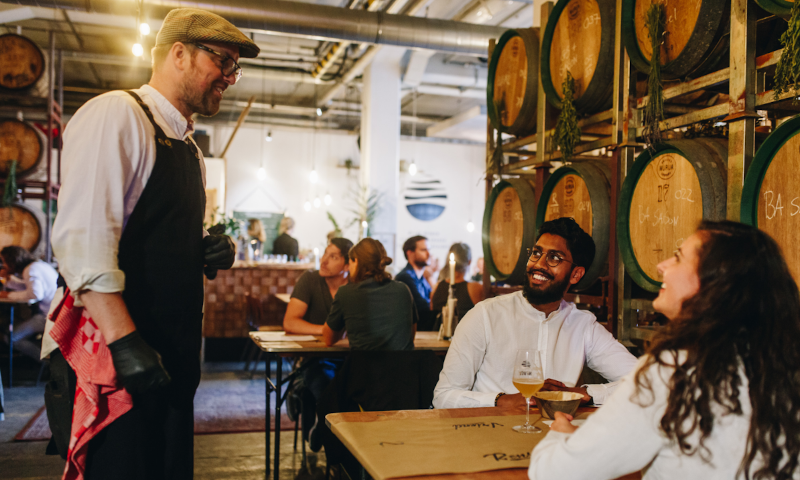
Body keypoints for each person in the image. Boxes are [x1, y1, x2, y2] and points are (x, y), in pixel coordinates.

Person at [51, 8, 250, 478]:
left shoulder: (192, 150)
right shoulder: (118, 113)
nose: (229, 76)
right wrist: (124, 342)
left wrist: (204, 245)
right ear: (178, 53)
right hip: (120, 359)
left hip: (169, 360)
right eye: (222, 61)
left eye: (234, 68)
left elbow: (148, 230)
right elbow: (84, 236)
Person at [529, 221, 800, 480]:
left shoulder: (672, 373)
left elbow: (553, 472)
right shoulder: (778, 368)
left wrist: (562, 432)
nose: (661, 266)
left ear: (714, 285)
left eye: (678, 257)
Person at [433, 217, 637, 410]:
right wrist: (502, 400)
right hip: (489, 433)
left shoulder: (582, 325)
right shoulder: (485, 316)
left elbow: (644, 381)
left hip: (554, 437)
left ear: (575, 274)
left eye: (554, 258)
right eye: (537, 253)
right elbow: (444, 396)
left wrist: (585, 393)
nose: (539, 264)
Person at [283, 237, 353, 451]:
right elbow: (290, 321)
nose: (324, 261)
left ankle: (332, 437)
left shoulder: (355, 287)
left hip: (349, 360)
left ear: (348, 265)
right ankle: (329, 434)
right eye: (325, 254)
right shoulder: (310, 280)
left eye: (333, 257)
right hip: (313, 359)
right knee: (326, 381)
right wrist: (326, 331)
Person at [322, 238, 417, 350]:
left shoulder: (345, 293)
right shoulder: (403, 289)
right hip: (404, 366)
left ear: (356, 262)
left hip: (365, 367)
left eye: (350, 261)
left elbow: (329, 339)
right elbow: (410, 335)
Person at [0, 246, 58, 361]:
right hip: (52, 313)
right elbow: (27, 288)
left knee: (12, 338)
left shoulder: (31, 270)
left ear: (12, 261)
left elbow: (35, 294)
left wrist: (8, 295)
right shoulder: (37, 266)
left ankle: (45, 362)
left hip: (50, 317)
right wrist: (6, 280)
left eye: (4, 261)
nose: (3, 265)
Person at [430, 243, 484, 320]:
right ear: (469, 261)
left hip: (437, 331)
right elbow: (483, 317)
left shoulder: (437, 286)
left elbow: (432, 311)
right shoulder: (476, 288)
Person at [395, 235, 437, 331]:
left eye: (429, 250)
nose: (429, 254)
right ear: (410, 253)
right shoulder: (405, 277)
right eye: (423, 250)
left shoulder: (421, 278)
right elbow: (424, 308)